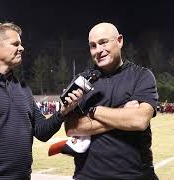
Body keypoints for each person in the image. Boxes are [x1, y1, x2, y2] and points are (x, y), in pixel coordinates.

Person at [0, 22, 83, 180]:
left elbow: (41, 131)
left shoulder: (23, 88)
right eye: (15, 44)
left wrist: (62, 112)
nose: (21, 48)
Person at [64, 22, 159, 180]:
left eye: (103, 42)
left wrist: (94, 111)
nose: (98, 50)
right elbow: (71, 128)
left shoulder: (142, 76)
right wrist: (123, 114)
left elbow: (139, 120)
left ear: (120, 41)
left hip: (135, 175)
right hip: (88, 175)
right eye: (93, 46)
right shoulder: (81, 81)